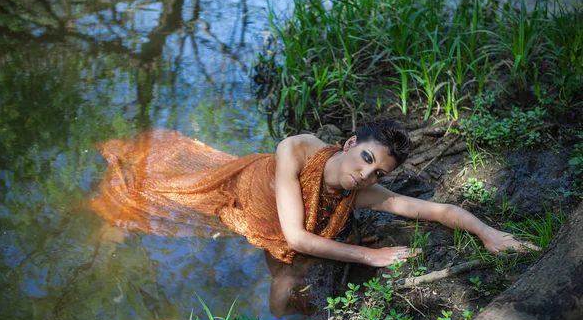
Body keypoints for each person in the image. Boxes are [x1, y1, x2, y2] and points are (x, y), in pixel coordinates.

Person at [90, 119, 536, 269]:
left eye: (377, 171)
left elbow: (433, 209)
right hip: (239, 187)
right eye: (365, 158)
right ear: (347, 145)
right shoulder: (296, 149)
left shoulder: (361, 192)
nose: (366, 174)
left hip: (276, 215)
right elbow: (299, 240)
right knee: (152, 187)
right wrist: (368, 255)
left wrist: (487, 232)